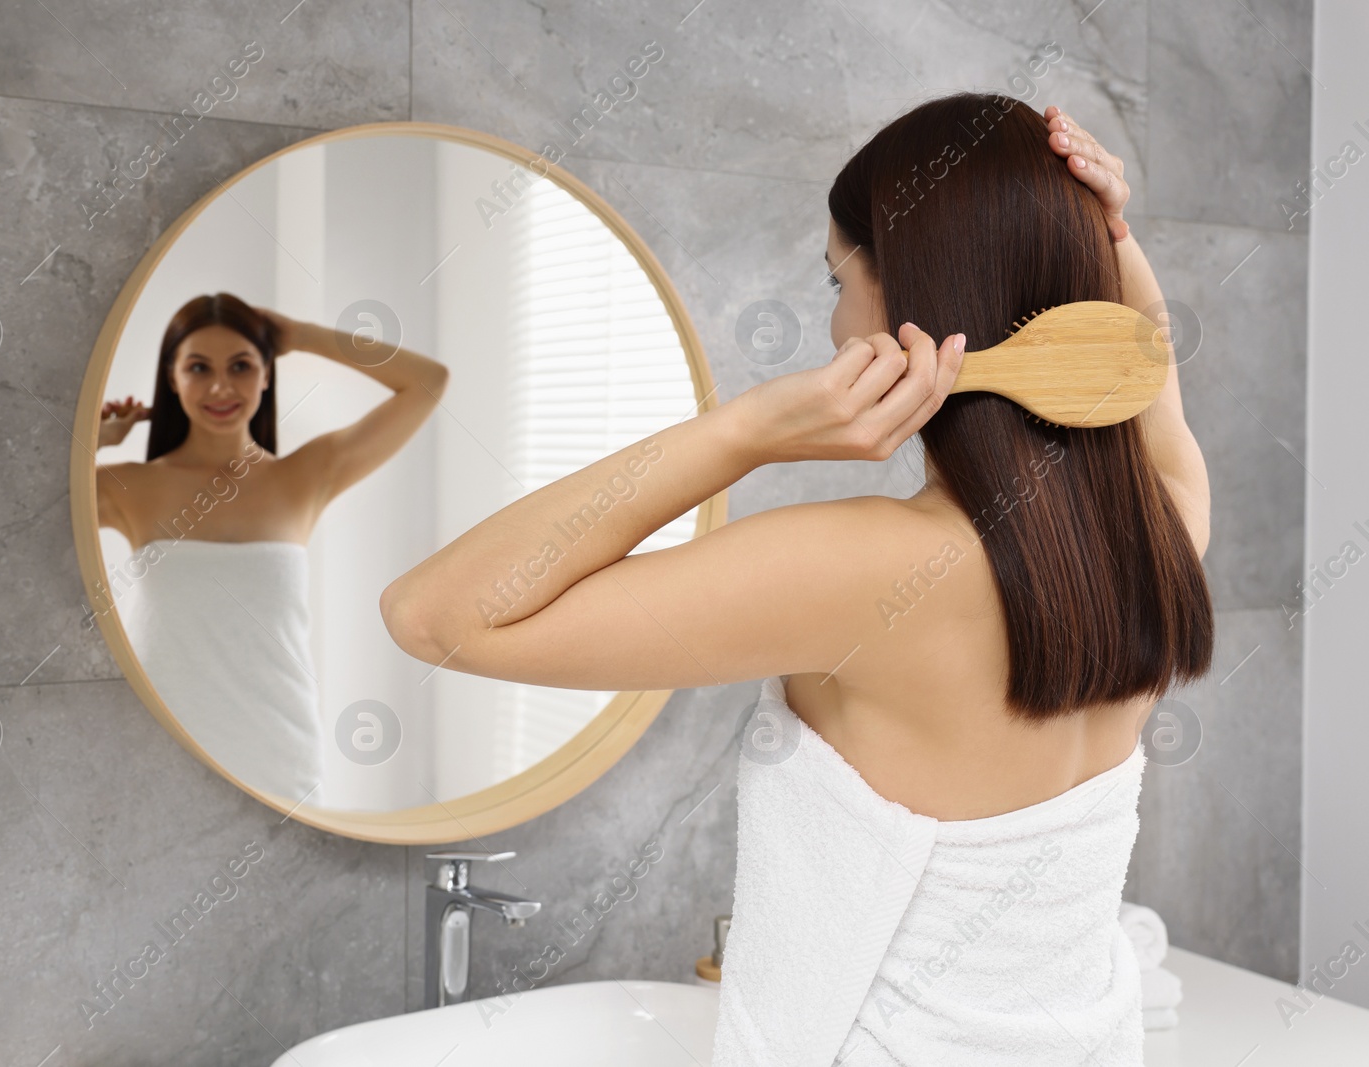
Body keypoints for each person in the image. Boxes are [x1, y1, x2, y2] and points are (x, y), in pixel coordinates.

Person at [379, 94, 1211, 1064]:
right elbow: (1150, 387)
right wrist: (1107, 234)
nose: (831, 319)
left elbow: (433, 613)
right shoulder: (1160, 540)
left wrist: (743, 431)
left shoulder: (874, 574)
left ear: (905, 301)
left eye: (835, 278)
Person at [96, 292, 449, 803]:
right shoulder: (122, 486)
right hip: (156, 747)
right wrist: (96, 438)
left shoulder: (305, 476)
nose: (221, 386)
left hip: (277, 749)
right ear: (172, 378)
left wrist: (303, 335)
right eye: (199, 367)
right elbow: (27, 506)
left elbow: (427, 383)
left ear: (267, 374)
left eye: (241, 365)